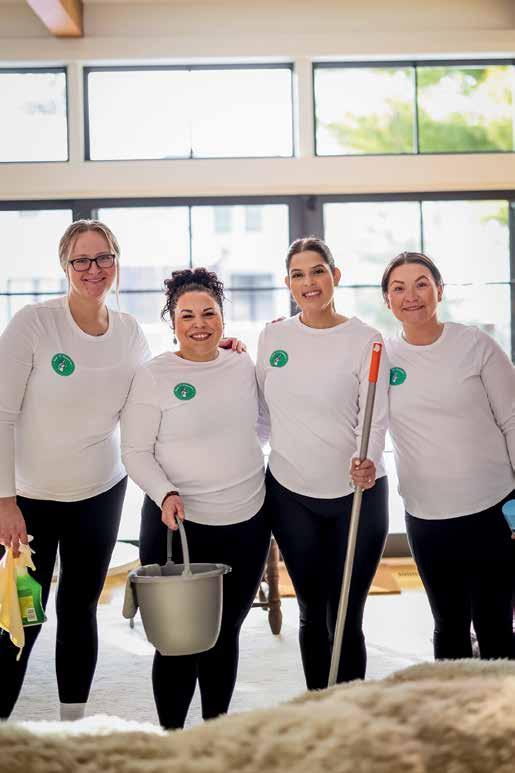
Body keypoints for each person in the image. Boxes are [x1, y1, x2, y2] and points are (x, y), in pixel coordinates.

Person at [0, 220, 152, 721]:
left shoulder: (129, 332)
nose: (93, 269)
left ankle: (73, 724)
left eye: (103, 258)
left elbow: (151, 398)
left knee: (80, 607)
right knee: (22, 614)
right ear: (65, 266)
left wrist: (219, 351)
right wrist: (4, 501)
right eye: (81, 260)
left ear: (116, 262)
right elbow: (1, 414)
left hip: (100, 491)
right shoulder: (34, 323)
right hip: (29, 499)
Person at [121, 267, 270, 730]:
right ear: (172, 322)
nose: (199, 323)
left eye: (209, 313)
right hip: (177, 524)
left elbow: (263, 425)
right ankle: (173, 739)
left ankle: (214, 737)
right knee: (178, 640)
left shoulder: (242, 364)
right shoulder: (153, 375)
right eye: (187, 315)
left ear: (223, 318)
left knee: (225, 634)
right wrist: (164, 491)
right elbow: (134, 452)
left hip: (247, 521)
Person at [257, 236, 389, 689]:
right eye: (298, 274)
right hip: (291, 493)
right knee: (312, 611)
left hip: (358, 494)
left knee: (347, 614)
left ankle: (350, 711)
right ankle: (319, 708)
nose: (308, 282)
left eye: (317, 271)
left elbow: (375, 415)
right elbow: (260, 414)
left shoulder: (366, 340)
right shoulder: (273, 336)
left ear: (335, 275)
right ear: (288, 283)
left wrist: (367, 459)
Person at [382, 250, 515, 660]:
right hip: (427, 515)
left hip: (493, 507)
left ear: (439, 290)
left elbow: (512, 420)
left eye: (421, 284)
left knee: (495, 623)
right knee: (448, 624)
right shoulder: (381, 357)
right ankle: (452, 699)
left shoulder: (476, 344)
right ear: (387, 300)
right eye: (399, 288)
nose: (411, 296)